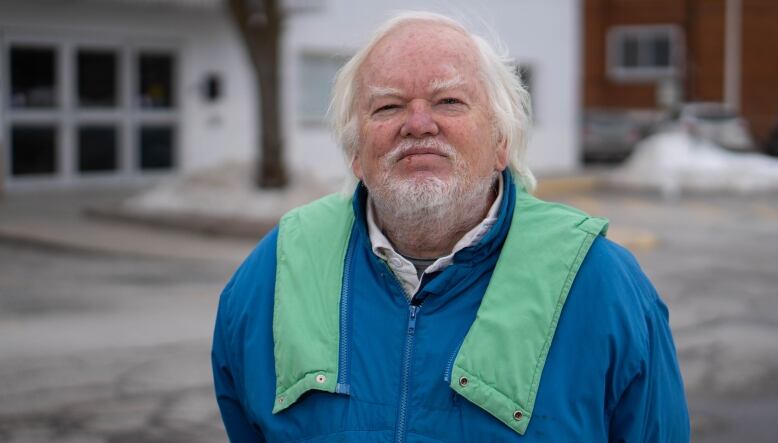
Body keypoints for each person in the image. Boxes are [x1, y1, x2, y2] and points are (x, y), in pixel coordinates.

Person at [212, 11, 690, 442]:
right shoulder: (277, 270)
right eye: (388, 106)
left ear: (502, 142)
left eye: (449, 101)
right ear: (356, 153)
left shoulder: (601, 284)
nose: (418, 123)